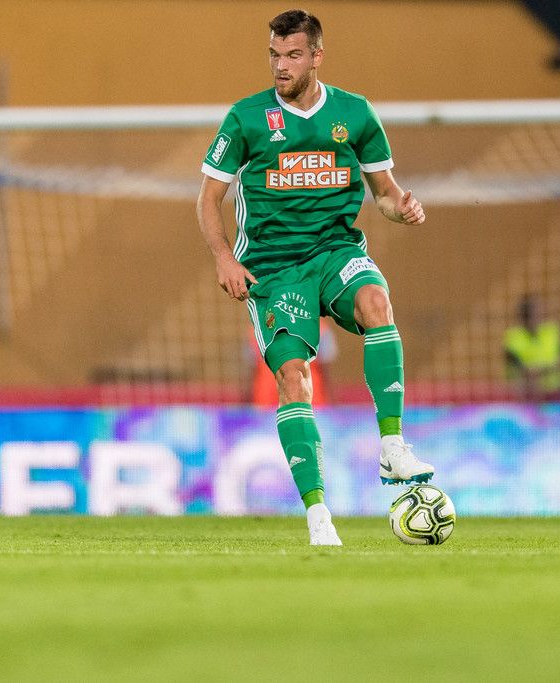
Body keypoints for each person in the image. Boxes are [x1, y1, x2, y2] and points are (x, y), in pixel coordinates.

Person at [196, 9, 433, 545]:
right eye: (274, 55)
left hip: (334, 252)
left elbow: (385, 194)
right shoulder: (246, 118)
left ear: (317, 56)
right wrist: (224, 258)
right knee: (292, 377)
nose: (281, 66)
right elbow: (209, 199)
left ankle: (393, 446)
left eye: (293, 55)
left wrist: (402, 207)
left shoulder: (355, 113)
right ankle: (319, 515)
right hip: (274, 269)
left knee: (376, 301)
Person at [502, 295, 560, 396]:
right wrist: (549, 368)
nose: (540, 316)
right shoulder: (513, 338)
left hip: (556, 393)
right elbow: (521, 369)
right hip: (526, 395)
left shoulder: (551, 332)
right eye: (536, 314)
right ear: (525, 317)